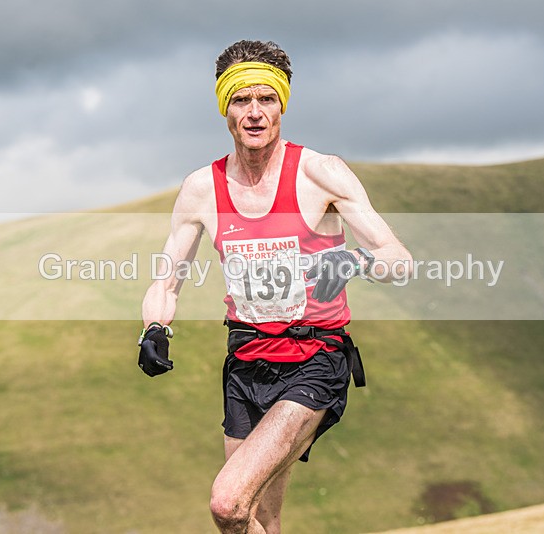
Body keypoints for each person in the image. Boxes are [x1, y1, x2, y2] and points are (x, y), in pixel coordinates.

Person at [138, 40, 412, 534]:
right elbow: (167, 279)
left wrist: (354, 261)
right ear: (225, 109)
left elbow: (400, 260)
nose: (255, 112)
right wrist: (155, 328)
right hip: (246, 362)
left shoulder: (320, 173)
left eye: (266, 99)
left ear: (282, 104)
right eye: (242, 100)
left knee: (227, 502)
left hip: (314, 359)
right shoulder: (202, 188)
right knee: (255, 518)